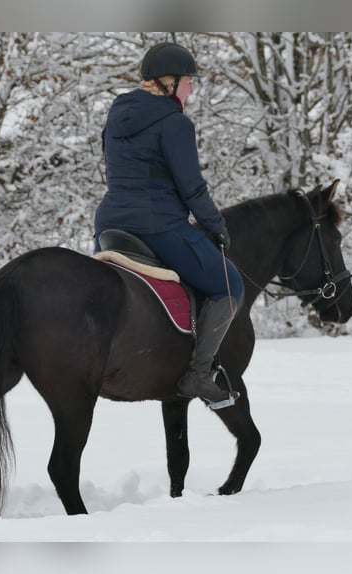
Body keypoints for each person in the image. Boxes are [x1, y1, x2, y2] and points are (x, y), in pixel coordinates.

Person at [94, 42, 245, 407]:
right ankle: (197, 373)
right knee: (230, 284)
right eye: (188, 82)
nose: (191, 89)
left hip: (110, 224)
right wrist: (216, 225)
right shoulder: (174, 122)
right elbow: (191, 187)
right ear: (168, 83)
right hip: (157, 225)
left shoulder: (117, 113)